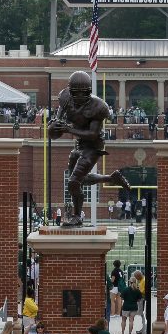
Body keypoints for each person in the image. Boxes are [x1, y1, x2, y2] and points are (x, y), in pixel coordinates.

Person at [48, 71, 131, 225]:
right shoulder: (65, 98)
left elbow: (92, 134)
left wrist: (68, 129)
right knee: (81, 180)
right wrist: (55, 125)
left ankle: (77, 216)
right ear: (70, 92)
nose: (79, 96)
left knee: (73, 181)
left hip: (93, 145)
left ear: (89, 91)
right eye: (75, 93)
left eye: (83, 93)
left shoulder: (98, 106)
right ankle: (112, 178)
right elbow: (59, 119)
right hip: (79, 143)